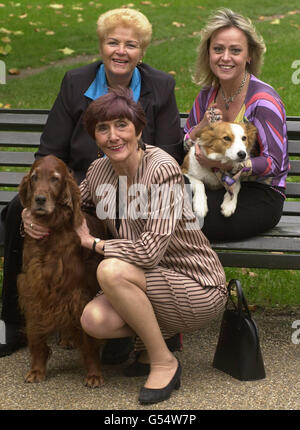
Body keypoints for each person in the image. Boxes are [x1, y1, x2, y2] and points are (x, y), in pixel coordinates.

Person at [0, 8, 184, 358]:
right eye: (112, 42)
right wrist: (39, 205)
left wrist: (126, 178)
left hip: (135, 188)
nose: (120, 51)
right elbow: (50, 149)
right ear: (101, 46)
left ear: (142, 51)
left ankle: (134, 321)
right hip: (78, 189)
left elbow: (171, 152)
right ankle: (14, 322)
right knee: (13, 213)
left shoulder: (160, 86)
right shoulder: (75, 82)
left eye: (131, 44)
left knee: (113, 224)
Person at [73, 87, 227, 404]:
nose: (113, 136)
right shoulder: (98, 171)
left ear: (138, 129)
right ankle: (147, 349)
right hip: (145, 281)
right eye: (102, 128)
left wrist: (94, 244)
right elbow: (68, 205)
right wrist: (30, 220)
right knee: (93, 320)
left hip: (196, 284)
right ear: (94, 136)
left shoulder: (162, 169)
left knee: (111, 270)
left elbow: (148, 253)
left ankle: (162, 360)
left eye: (121, 125)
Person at [184, 8, 289, 242]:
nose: (225, 57)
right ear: (208, 52)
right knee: (161, 210)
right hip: (213, 186)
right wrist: (201, 125)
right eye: (218, 49)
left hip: (259, 194)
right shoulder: (206, 96)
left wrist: (224, 164)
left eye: (235, 50)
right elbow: (185, 142)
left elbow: (274, 163)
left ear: (249, 55)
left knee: (185, 223)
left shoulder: (263, 101)